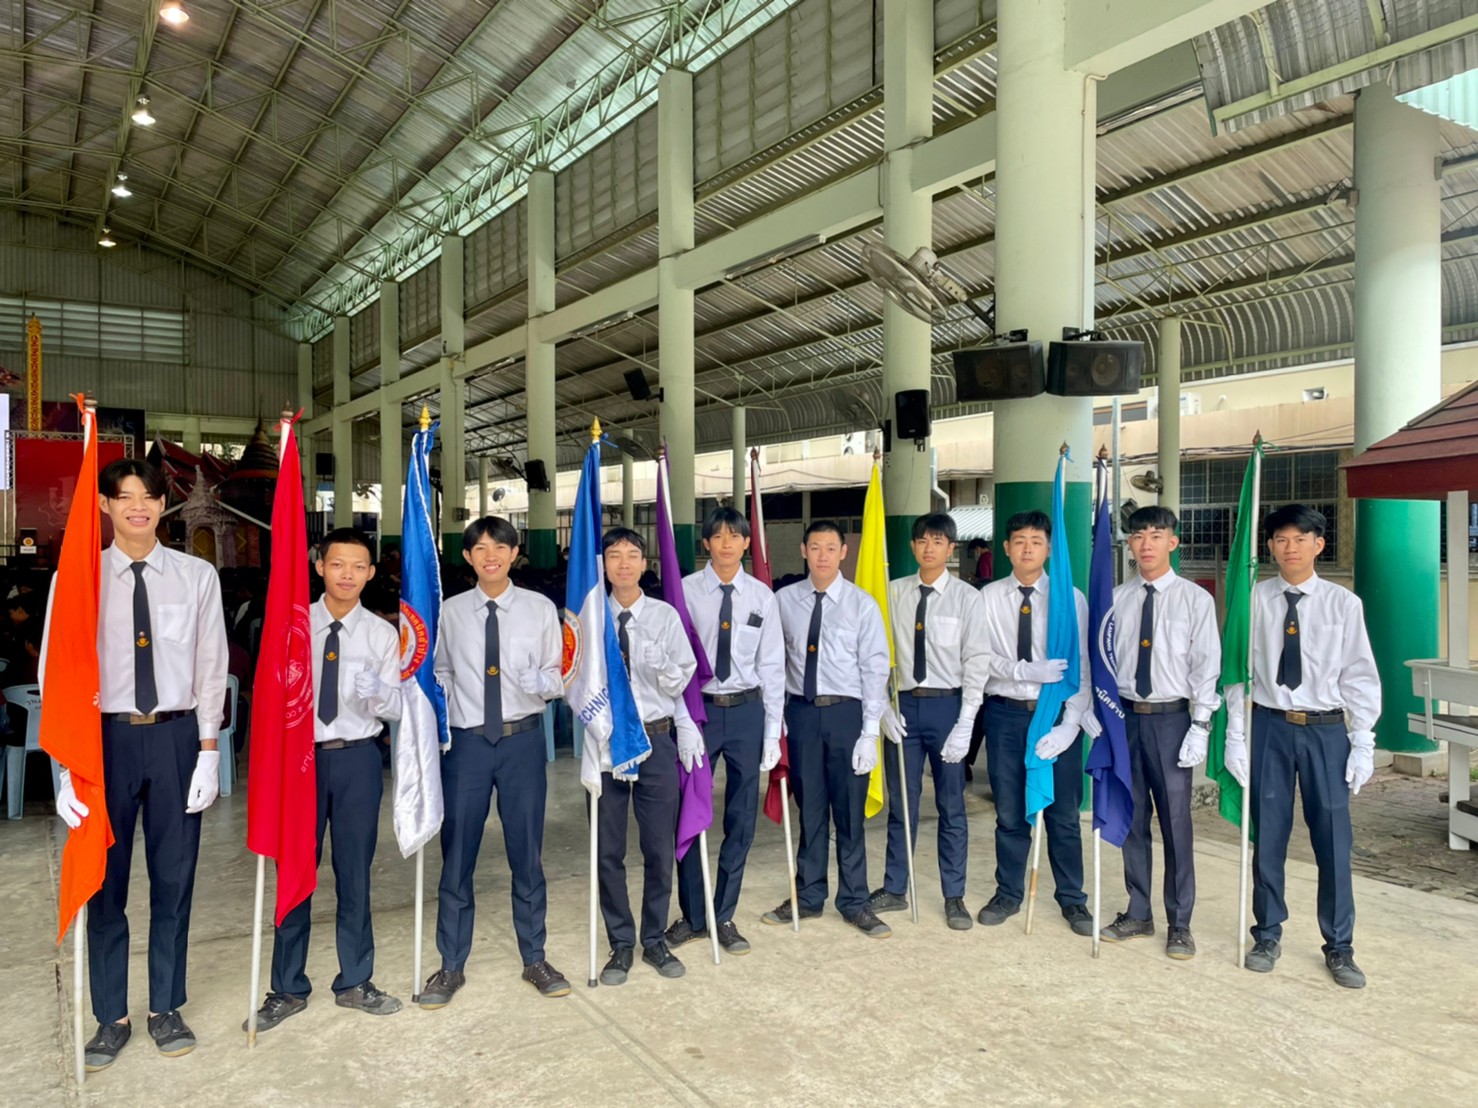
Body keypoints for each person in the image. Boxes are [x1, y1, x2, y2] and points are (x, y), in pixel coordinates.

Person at [48, 457, 228, 1070]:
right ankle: (112, 1017)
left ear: (162, 504)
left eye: (148, 496)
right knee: (105, 884)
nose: (137, 507)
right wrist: (65, 766)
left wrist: (209, 751)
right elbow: (58, 670)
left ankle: (166, 1007)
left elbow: (211, 664)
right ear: (105, 505)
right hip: (104, 743)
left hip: (176, 738)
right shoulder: (78, 578)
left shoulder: (196, 575)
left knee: (174, 880)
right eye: (124, 497)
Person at [248, 528, 404, 1032]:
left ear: (371, 573)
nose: (347, 575)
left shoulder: (381, 634)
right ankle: (287, 987)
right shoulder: (293, 627)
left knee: (355, 873)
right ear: (319, 567)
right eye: (338, 564)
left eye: (358, 566)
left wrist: (379, 693)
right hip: (301, 764)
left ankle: (355, 979)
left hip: (358, 760)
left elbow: (397, 707)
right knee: (294, 870)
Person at [1223, 504, 1380, 989]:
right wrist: (1234, 733)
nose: (1289, 548)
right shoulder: (1253, 600)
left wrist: (1363, 739)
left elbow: (1359, 674)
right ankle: (1267, 933)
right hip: (1269, 727)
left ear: (1319, 544)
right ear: (1269, 546)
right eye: (1280, 539)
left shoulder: (1342, 604)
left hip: (1325, 731)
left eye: (1299, 539)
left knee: (1332, 839)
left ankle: (1340, 945)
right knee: (1268, 835)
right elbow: (1237, 671)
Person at [419, 516, 571, 1007]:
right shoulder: (449, 612)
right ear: (467, 557)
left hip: (521, 742)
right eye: (481, 548)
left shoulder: (539, 609)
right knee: (457, 854)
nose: (491, 556)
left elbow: (558, 675)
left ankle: (535, 956)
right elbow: (440, 670)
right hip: (466, 746)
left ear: (514, 553)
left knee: (526, 852)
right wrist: (436, 693)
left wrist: (542, 683)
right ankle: (451, 964)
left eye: (500, 547)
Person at [1099, 507, 1220, 959]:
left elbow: (1206, 665)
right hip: (1125, 719)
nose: (1146, 543)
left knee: (1175, 823)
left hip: (1171, 721)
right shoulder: (1115, 600)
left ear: (1173, 541)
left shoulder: (1194, 600)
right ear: (1129, 544)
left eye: (1156, 534)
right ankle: (1138, 911)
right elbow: (1104, 660)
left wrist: (1201, 724)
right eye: (1138, 536)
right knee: (1131, 818)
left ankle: (1180, 922)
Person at [763, 520, 891, 938]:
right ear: (803, 551)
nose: (822, 555)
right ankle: (809, 894)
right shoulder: (783, 601)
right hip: (801, 715)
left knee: (849, 812)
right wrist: (774, 719)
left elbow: (874, 670)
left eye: (830, 548)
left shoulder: (862, 605)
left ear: (843, 553)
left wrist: (870, 731)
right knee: (811, 810)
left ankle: (854, 900)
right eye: (815, 547)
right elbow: (772, 661)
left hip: (846, 716)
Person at [668, 507, 785, 956]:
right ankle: (693, 916)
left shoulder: (761, 597)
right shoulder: (684, 592)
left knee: (741, 816)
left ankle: (723, 914)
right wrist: (682, 720)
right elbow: (676, 662)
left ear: (747, 543)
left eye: (734, 536)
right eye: (717, 536)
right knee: (690, 810)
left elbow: (772, 666)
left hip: (746, 712)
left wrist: (772, 731)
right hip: (699, 711)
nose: (726, 544)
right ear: (706, 544)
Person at [977, 510, 1093, 934]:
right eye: (1020, 541)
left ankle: (1072, 899)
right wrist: (1022, 671)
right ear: (1006, 548)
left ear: (1049, 549)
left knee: (1063, 815)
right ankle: (1008, 892)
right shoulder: (987, 598)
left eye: (1036, 541)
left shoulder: (1069, 598)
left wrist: (1072, 723)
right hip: (1006, 714)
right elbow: (979, 658)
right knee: (1009, 812)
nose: (1027, 549)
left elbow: (1082, 665)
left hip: (1055, 715)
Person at [871, 514, 989, 929]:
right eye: (922, 540)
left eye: (937, 541)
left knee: (951, 806)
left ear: (951, 549)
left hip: (947, 708)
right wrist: (881, 705)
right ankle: (894, 887)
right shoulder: (892, 593)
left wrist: (967, 720)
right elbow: (876, 653)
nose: (928, 548)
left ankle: (954, 895)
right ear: (912, 546)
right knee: (901, 804)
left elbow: (977, 660)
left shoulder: (967, 598)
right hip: (902, 707)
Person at [596, 527, 701, 984]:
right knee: (608, 849)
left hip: (655, 741)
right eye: (614, 555)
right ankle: (621, 943)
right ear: (603, 564)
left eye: (632, 555)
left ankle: (654, 937)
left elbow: (681, 681)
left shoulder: (664, 616)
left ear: (644, 563)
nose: (623, 563)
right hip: (606, 742)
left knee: (658, 848)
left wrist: (660, 664)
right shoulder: (590, 617)